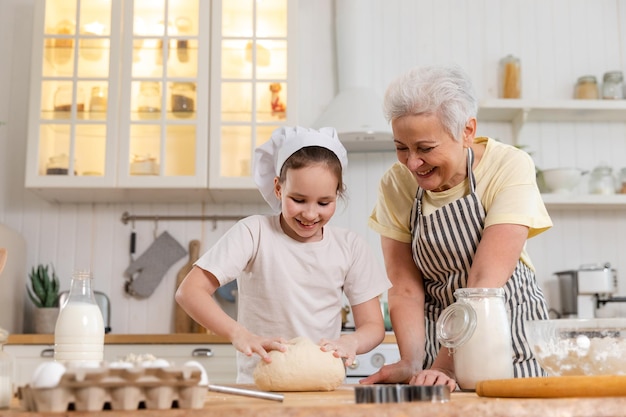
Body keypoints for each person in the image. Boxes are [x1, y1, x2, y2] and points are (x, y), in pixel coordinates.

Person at [360, 64, 552, 391]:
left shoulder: (508, 166)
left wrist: (444, 366)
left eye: (425, 148)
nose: (412, 163)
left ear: (467, 131)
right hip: (438, 349)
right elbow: (404, 286)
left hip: (511, 342)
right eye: (401, 147)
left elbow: (483, 284)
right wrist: (412, 363)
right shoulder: (396, 184)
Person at [175, 126, 391, 383]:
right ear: (278, 189)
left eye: (324, 203)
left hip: (322, 386)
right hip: (261, 386)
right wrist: (239, 333)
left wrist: (352, 341)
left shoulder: (350, 246)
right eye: (298, 200)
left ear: (337, 194)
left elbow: (373, 326)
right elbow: (189, 291)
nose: (310, 214)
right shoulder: (253, 233)